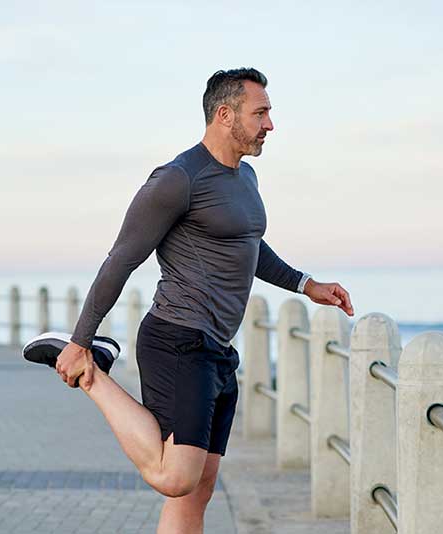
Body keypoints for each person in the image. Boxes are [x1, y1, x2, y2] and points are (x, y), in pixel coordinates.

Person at [35, 68, 353, 534]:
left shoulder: (245, 179)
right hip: (177, 340)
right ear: (225, 115)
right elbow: (122, 258)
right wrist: (81, 340)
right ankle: (91, 372)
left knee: (200, 489)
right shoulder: (178, 178)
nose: (270, 125)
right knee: (175, 478)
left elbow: (248, 244)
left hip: (219, 352)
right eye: (260, 112)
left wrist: (307, 285)